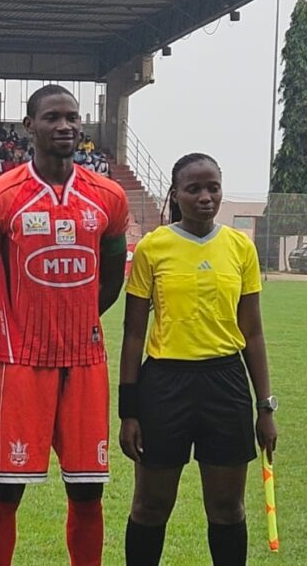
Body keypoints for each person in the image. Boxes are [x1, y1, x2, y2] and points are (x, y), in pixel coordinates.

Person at [0, 84, 129, 566]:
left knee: (87, 492)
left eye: (72, 118)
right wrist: (12, 330)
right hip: (20, 365)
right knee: (6, 489)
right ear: (29, 126)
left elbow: (112, 279)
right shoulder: (0, 195)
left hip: (85, 363)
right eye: (53, 117)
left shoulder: (108, 197)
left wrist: (78, 322)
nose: (65, 126)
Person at [119, 153, 277, 566]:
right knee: (150, 506)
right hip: (164, 386)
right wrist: (128, 411)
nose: (205, 197)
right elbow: (133, 334)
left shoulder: (240, 247)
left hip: (225, 385)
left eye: (213, 187)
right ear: (176, 194)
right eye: (194, 189)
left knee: (227, 509)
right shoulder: (154, 247)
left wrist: (265, 407)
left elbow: (254, 333)